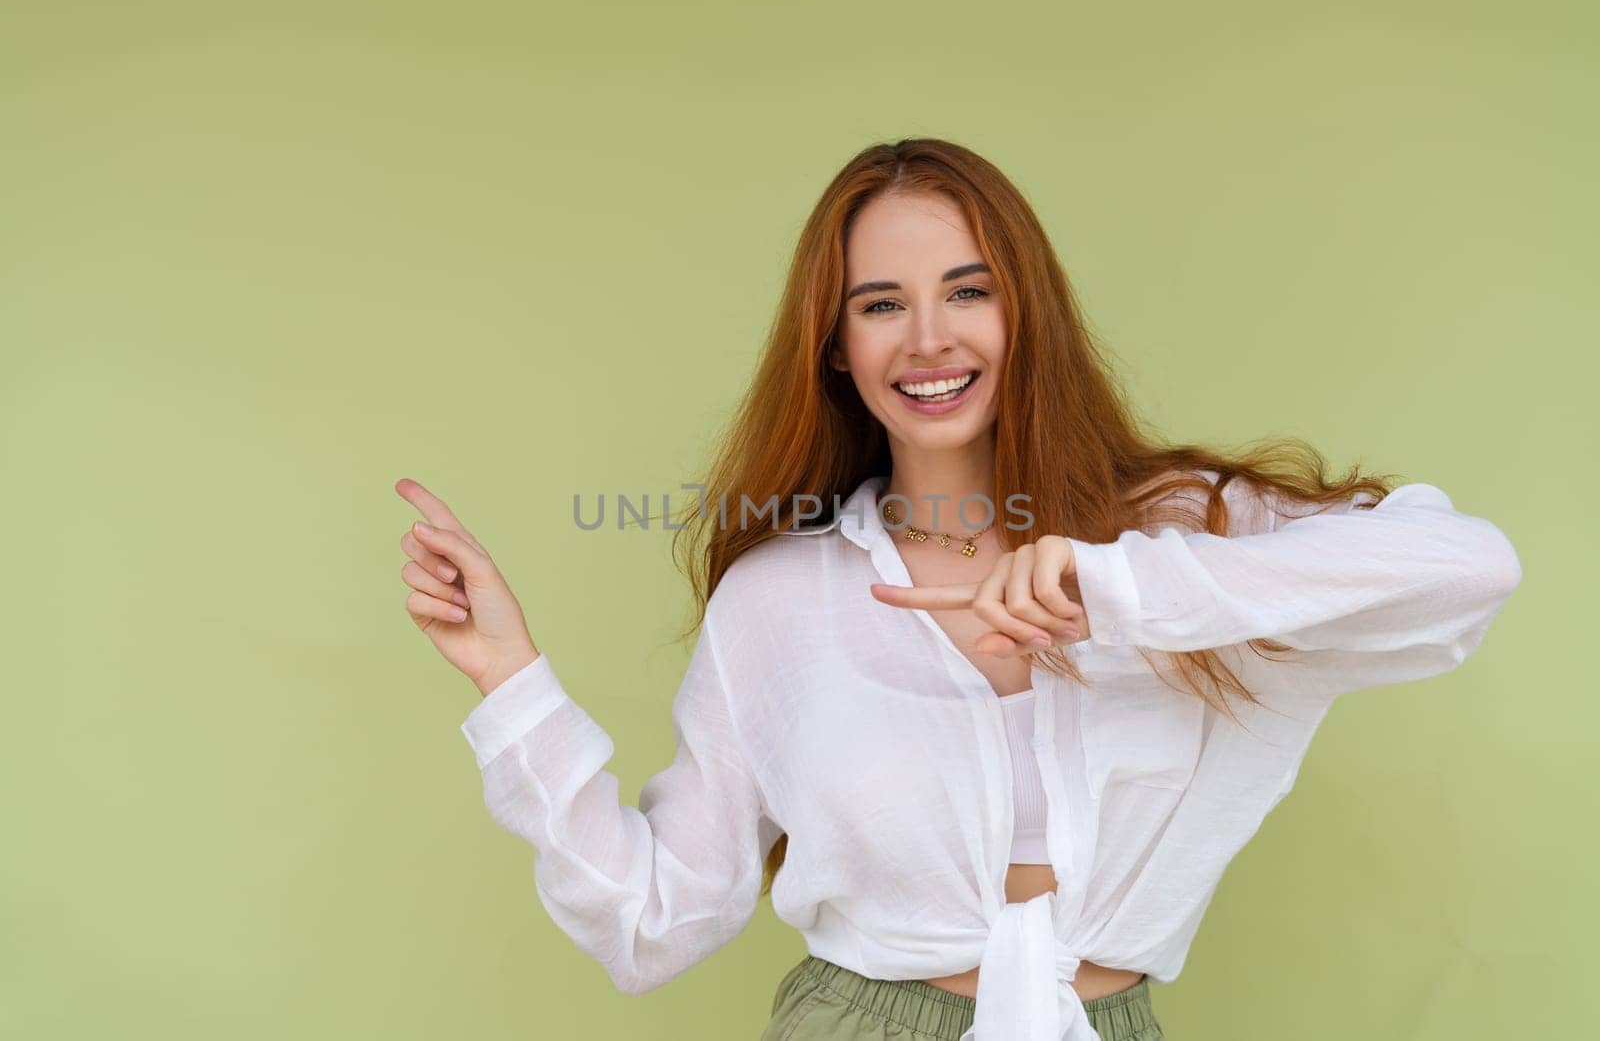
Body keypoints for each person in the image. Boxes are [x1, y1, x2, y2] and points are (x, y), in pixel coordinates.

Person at [393, 138, 1523, 1041]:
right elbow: (653, 923)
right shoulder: (779, 601)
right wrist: (511, 679)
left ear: (1022, 310)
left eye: (966, 291)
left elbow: (1469, 568)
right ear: (835, 345)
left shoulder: (1183, 529)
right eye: (879, 303)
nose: (927, 339)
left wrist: (1115, 589)